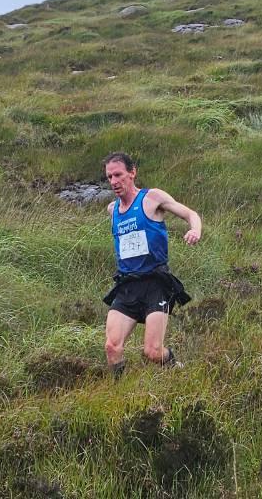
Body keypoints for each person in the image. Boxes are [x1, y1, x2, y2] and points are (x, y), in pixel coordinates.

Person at [101, 152, 202, 378]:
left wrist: (195, 229)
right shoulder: (112, 210)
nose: (114, 181)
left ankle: (176, 371)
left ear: (132, 172)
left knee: (153, 352)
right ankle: (120, 392)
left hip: (156, 283)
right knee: (111, 346)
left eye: (118, 175)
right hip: (127, 285)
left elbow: (190, 213)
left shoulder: (152, 198)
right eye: (109, 177)